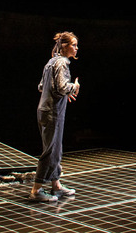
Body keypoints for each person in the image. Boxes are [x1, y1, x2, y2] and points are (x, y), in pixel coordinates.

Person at [29, 32, 81, 202]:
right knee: (50, 150)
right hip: (52, 112)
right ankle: (36, 190)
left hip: (46, 110)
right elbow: (62, 87)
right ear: (65, 46)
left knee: (55, 148)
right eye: (73, 45)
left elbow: (41, 86)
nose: (76, 48)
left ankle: (56, 184)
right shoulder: (62, 63)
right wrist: (74, 87)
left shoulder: (50, 62)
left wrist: (62, 92)